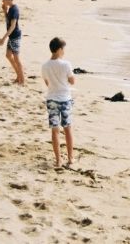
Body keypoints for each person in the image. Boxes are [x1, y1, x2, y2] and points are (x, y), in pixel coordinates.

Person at [41, 37, 76, 168]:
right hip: (65, 99)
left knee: (55, 130)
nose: (64, 51)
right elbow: (72, 81)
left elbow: (47, 83)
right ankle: (70, 158)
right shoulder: (66, 64)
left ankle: (58, 160)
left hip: (52, 99)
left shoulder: (45, 66)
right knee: (67, 129)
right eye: (63, 49)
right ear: (59, 49)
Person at [0, 0, 25, 85]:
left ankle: (22, 80)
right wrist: (5, 11)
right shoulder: (10, 9)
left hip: (15, 37)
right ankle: (18, 76)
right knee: (8, 55)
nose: (2, 1)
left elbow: (12, 26)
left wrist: (3, 38)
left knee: (16, 59)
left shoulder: (14, 10)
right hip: (11, 36)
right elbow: (8, 21)